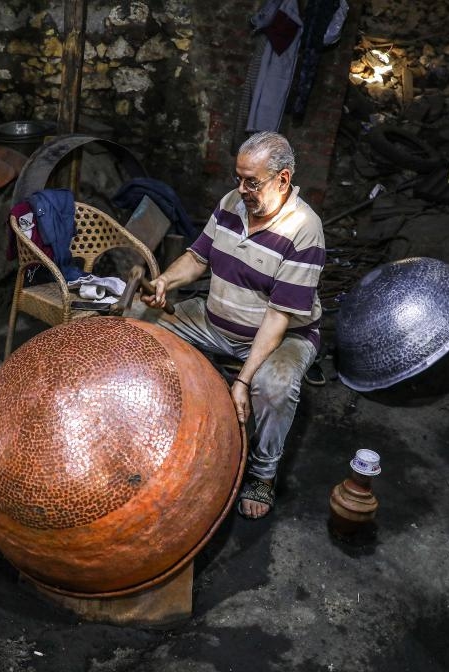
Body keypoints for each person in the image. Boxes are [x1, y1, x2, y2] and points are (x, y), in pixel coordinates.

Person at [142, 131, 325, 520]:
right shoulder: (231, 204)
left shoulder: (304, 230)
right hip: (214, 323)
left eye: (251, 182)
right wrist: (165, 282)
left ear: (283, 179)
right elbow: (198, 257)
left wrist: (242, 380)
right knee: (140, 326)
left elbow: (278, 316)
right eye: (238, 178)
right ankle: (158, 420)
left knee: (273, 386)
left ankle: (262, 473)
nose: (241, 189)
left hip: (280, 337)